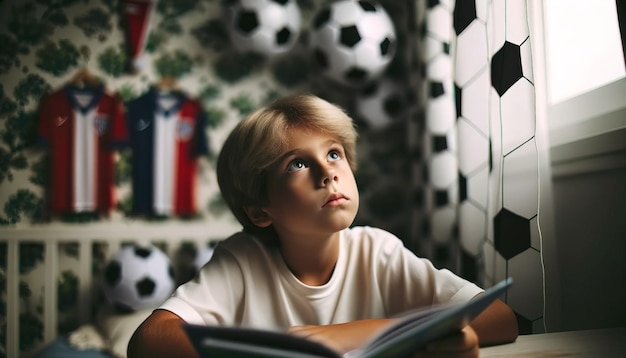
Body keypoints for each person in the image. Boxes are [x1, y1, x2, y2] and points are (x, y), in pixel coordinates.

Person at [127, 94, 518, 358]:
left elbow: (500, 318)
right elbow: (147, 340)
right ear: (261, 210)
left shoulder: (377, 251)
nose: (328, 172)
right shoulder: (242, 260)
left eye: (334, 153)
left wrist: (353, 334)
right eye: (297, 163)